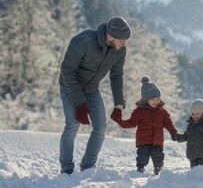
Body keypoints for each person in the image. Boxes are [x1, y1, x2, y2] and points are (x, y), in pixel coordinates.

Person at [59, 16, 132, 175]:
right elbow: (67, 71)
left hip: (92, 89)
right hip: (70, 86)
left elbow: (116, 76)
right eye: (122, 40)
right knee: (72, 125)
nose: (124, 43)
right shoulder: (83, 41)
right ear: (110, 36)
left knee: (101, 127)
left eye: (126, 40)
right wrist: (79, 103)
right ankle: (66, 169)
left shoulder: (120, 50)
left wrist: (119, 105)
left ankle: (88, 167)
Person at [113, 75, 179, 175]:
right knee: (142, 157)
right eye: (153, 99)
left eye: (157, 98)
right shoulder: (139, 111)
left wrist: (173, 133)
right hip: (143, 141)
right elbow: (131, 123)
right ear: (145, 99)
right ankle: (140, 168)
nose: (156, 101)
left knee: (158, 156)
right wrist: (120, 121)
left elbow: (168, 123)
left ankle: (158, 169)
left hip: (157, 141)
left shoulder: (162, 112)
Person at [177, 99, 203, 168]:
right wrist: (178, 137)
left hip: (202, 154)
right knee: (194, 171)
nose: (195, 115)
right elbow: (187, 136)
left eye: (197, 113)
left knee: (201, 170)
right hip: (192, 153)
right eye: (193, 114)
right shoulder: (190, 125)